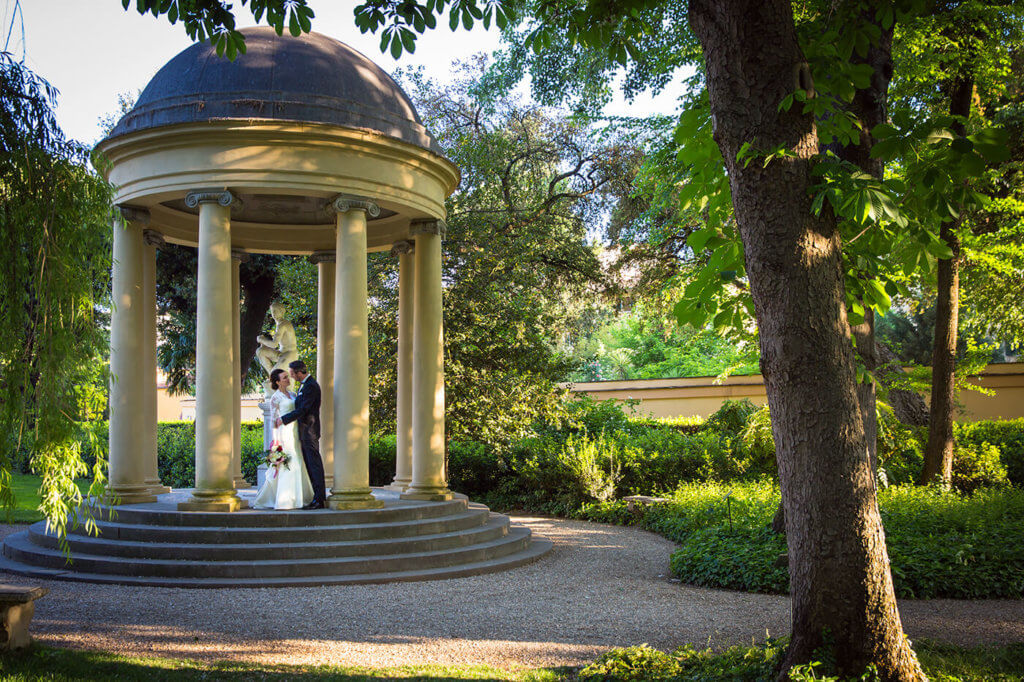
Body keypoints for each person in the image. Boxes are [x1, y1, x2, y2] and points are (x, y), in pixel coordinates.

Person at [253, 368, 314, 510]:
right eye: (284, 377)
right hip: (284, 434)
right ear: (277, 382)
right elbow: (274, 421)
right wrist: (276, 443)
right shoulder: (275, 397)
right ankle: (285, 500)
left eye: (288, 376)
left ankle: (299, 498)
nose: (288, 379)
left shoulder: (293, 395)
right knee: (288, 463)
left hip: (296, 432)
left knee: (298, 462)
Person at [276, 360, 327, 509]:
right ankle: (314, 497)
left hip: (309, 431)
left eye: (292, 374)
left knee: (314, 464)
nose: (291, 377)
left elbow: (304, 409)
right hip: (304, 431)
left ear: (299, 372)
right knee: (310, 465)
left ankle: (319, 500)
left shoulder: (311, 386)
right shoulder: (304, 386)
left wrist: (284, 419)